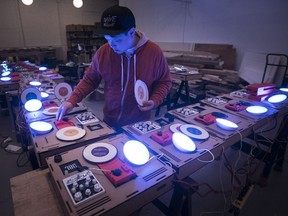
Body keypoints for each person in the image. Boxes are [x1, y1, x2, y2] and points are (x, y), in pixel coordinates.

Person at [56, 5, 172, 128]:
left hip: (139, 124)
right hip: (110, 121)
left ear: (132, 32)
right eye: (108, 39)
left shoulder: (154, 52)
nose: (111, 46)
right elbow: (90, 80)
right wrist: (71, 100)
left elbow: (164, 81)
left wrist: (155, 100)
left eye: (117, 40)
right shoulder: (104, 52)